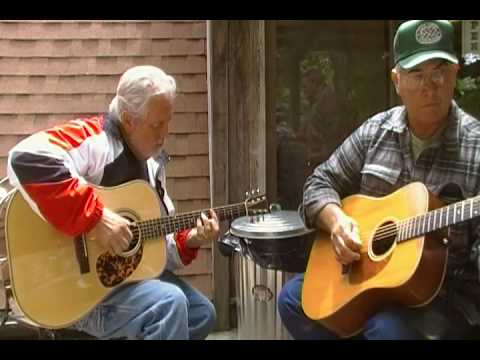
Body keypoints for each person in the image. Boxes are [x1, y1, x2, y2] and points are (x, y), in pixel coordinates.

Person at [278, 20, 480, 340]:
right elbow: (319, 183)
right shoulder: (375, 132)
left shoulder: (476, 146)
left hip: (441, 297)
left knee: (384, 330)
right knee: (292, 299)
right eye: (417, 74)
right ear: (397, 80)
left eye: (440, 70)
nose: (431, 85)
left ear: (455, 73)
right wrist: (337, 222)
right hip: (369, 280)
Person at [6, 65, 219, 340]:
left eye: (168, 123)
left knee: (201, 313)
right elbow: (26, 158)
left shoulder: (152, 167)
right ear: (129, 119)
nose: (164, 135)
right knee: (170, 303)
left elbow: (154, 254)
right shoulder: (95, 140)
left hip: (124, 282)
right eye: (156, 125)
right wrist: (95, 220)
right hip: (75, 289)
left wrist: (190, 240)